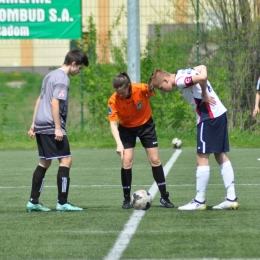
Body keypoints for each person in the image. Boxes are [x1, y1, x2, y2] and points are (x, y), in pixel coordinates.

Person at [147, 65, 238, 210]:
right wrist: (204, 90)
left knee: (201, 157)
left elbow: (202, 77)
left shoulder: (180, 79)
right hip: (219, 113)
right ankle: (231, 198)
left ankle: (199, 201)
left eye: (161, 88)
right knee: (220, 155)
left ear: (165, 80)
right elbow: (203, 67)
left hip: (208, 117)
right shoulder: (182, 72)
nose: (163, 91)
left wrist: (204, 94)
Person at [26, 49, 89, 212]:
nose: (79, 71)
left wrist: (33, 124)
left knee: (45, 161)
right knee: (66, 160)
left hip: (41, 123)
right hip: (50, 125)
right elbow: (54, 103)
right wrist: (58, 128)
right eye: (80, 68)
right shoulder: (62, 78)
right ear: (73, 64)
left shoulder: (50, 75)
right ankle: (62, 202)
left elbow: (39, 99)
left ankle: (33, 201)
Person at [108, 72, 174, 209]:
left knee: (155, 160)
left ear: (128, 86)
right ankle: (126, 199)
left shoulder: (140, 88)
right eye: (118, 93)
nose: (120, 95)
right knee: (126, 161)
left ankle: (164, 197)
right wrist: (119, 144)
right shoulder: (113, 100)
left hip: (146, 126)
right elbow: (113, 124)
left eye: (123, 92)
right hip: (126, 130)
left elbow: (154, 86)